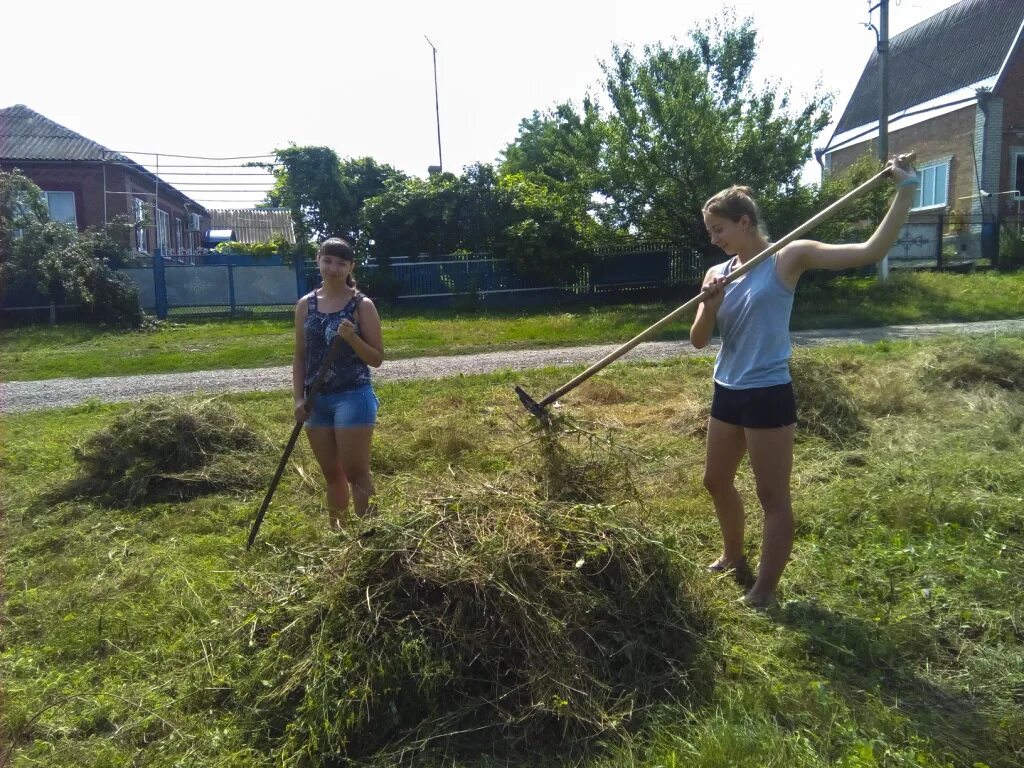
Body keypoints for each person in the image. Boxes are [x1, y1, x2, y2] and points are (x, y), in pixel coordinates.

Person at [690, 158, 919, 608]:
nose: (714, 240)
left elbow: (870, 251)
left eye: (719, 230)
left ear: (744, 221)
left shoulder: (787, 257)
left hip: (768, 393)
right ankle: (733, 557)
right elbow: (698, 340)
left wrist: (907, 188)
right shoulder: (717, 275)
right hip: (728, 389)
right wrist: (710, 305)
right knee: (715, 481)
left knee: (771, 494)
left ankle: (765, 590)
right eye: (710, 233)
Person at [293, 237, 384, 529]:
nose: (333, 268)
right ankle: (338, 536)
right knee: (332, 474)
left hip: (352, 397)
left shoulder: (362, 305)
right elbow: (300, 356)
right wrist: (298, 399)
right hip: (315, 400)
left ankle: (370, 539)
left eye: (341, 263)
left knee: (356, 472)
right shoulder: (305, 305)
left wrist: (352, 338)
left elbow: (376, 358)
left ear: (350, 267)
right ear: (318, 260)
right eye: (328, 260)